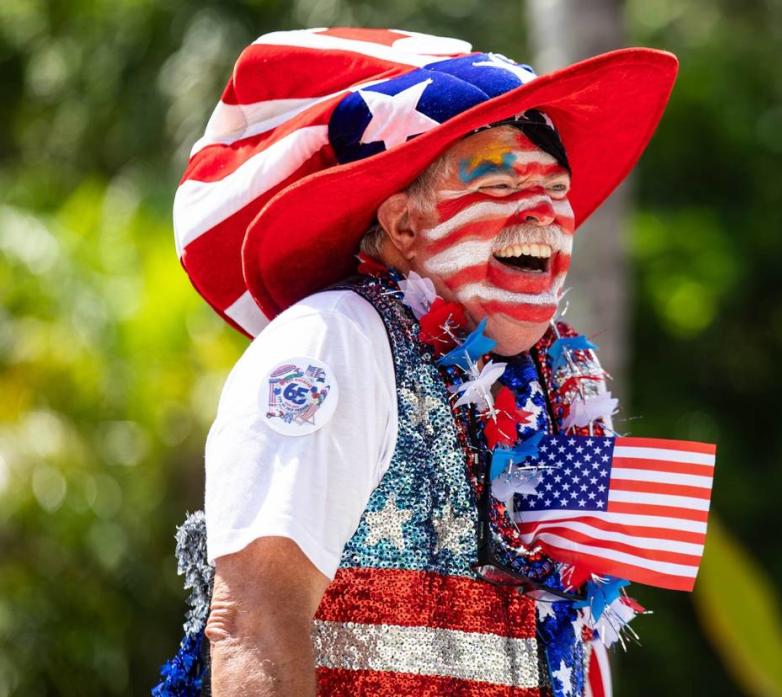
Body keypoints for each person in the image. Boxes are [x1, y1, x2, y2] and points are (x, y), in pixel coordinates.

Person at [155, 27, 678, 697]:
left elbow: (572, 642)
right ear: (404, 227)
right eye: (499, 183)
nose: (544, 215)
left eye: (555, 188)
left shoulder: (552, 382)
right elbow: (254, 618)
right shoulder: (334, 340)